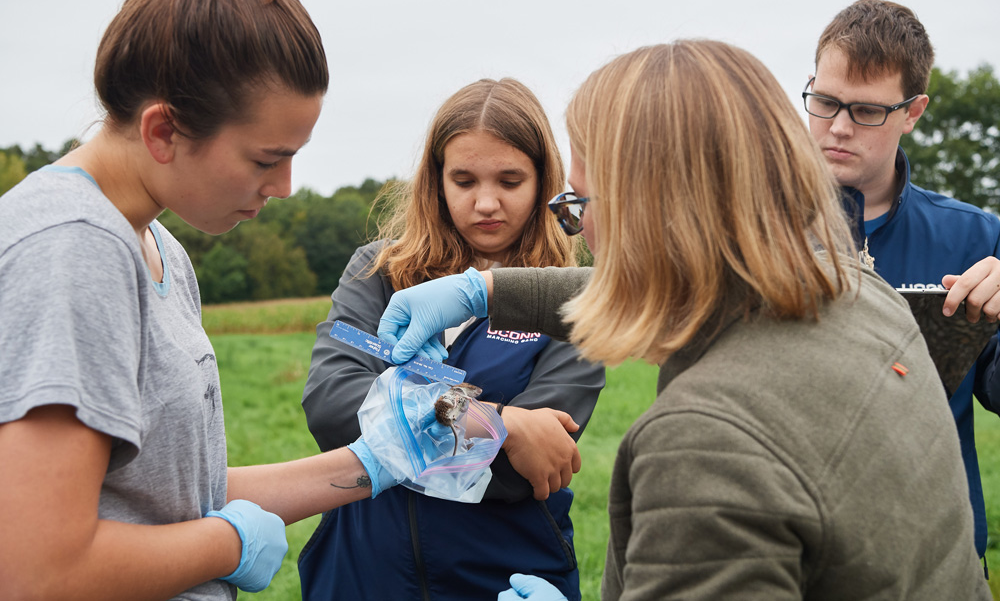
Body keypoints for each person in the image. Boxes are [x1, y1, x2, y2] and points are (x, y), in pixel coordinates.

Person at [377, 41, 991, 599]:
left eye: (582, 203)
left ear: (648, 215)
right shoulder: (859, 289)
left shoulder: (705, 444)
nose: (578, 227)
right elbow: (678, 284)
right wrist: (483, 289)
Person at [0, 0, 460, 599]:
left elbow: (177, 494)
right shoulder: (71, 249)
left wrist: (375, 461)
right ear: (163, 132)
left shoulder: (160, 247)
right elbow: (38, 570)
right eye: (265, 158)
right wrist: (228, 541)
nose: (287, 186)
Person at [299, 78, 605, 601]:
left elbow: (523, 469)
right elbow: (331, 405)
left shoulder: (576, 300)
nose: (486, 202)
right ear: (436, 181)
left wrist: (393, 421)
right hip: (361, 574)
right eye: (464, 180)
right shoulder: (377, 272)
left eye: (510, 180)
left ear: (543, 182)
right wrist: (495, 420)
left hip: (506, 578)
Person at [803, 0, 1000, 564]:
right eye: (824, 101)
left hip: (933, 556)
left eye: (866, 111)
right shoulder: (744, 231)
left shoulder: (975, 238)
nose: (837, 127)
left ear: (914, 112)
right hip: (787, 552)